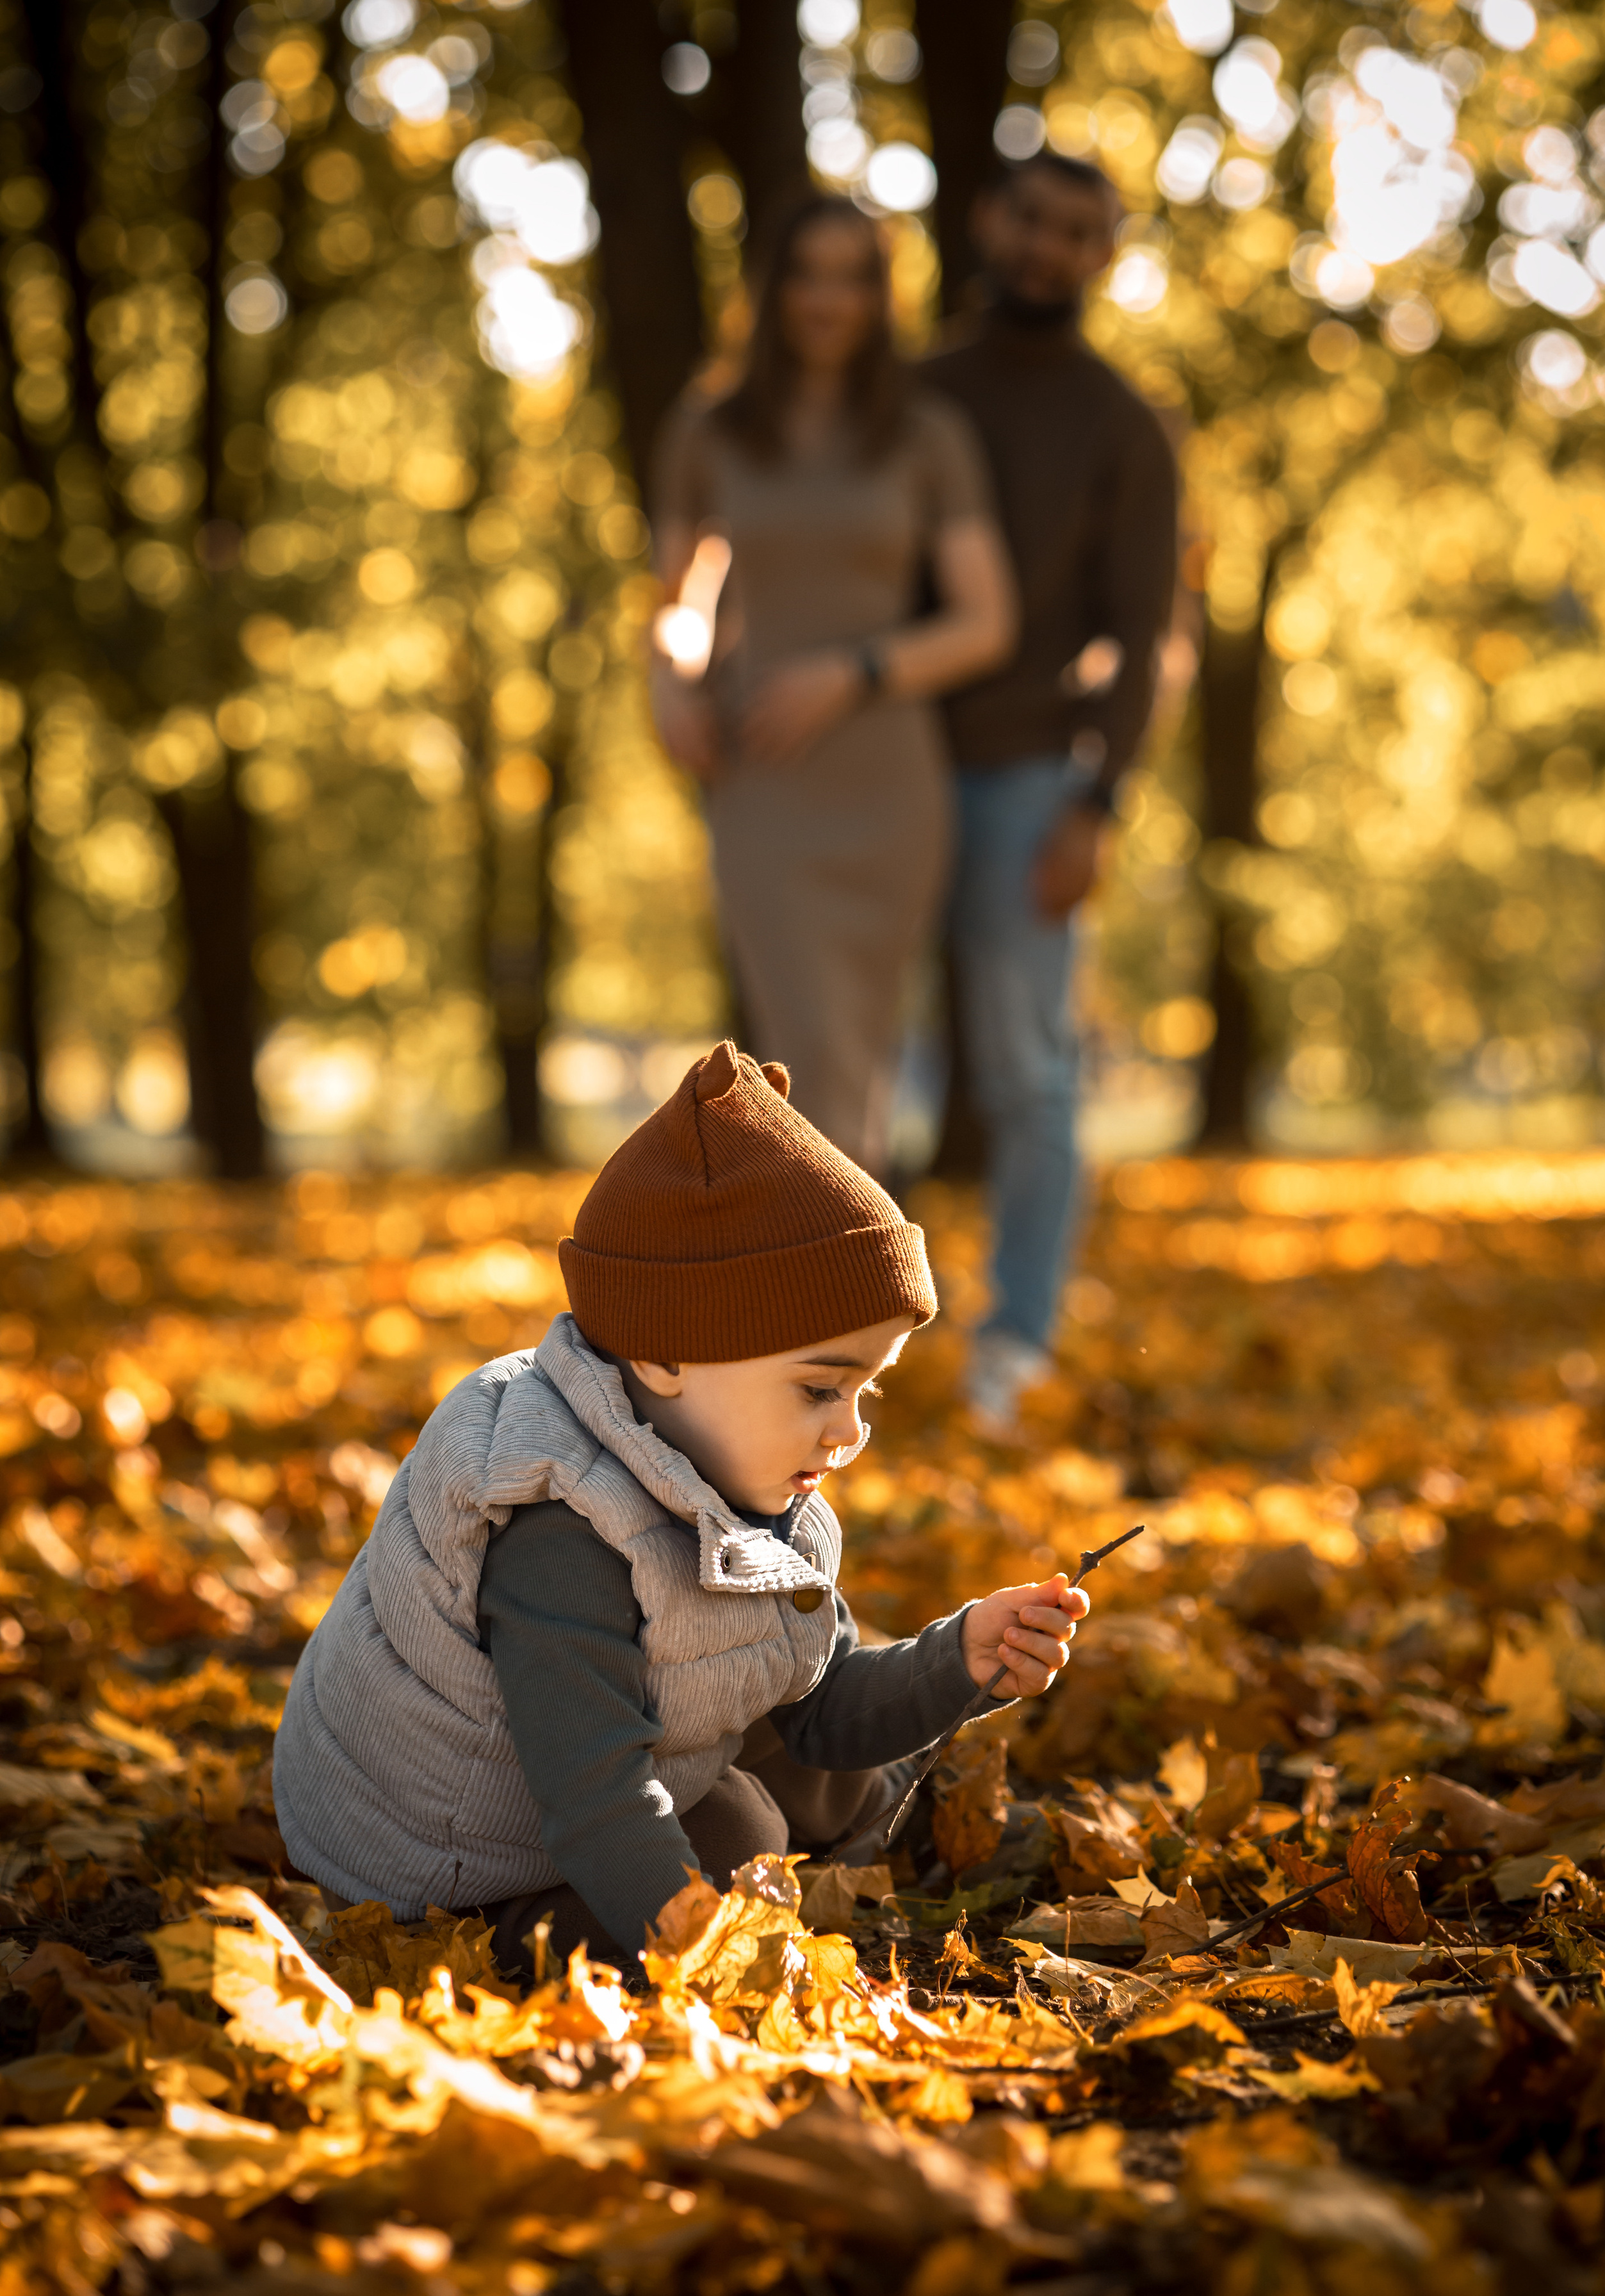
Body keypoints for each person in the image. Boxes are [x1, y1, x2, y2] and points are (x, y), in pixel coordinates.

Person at [273, 1042, 1089, 1974]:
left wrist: (960, 1657)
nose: (849, 1432)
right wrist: (721, 1959)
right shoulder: (558, 1531)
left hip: (597, 1761)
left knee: (803, 1751)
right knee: (738, 1827)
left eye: (870, 1393)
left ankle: (904, 1838)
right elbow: (596, 1799)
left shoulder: (742, 1469)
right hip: (442, 1844)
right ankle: (521, 1937)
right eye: (821, 1389)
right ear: (663, 1355)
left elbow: (816, 1702)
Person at [648, 197, 1016, 1180]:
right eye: (808, 273)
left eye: (854, 276)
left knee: (856, 1062)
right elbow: (678, 602)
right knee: (801, 1058)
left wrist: (851, 672)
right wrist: (668, 681)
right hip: (764, 773)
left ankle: (840, 1308)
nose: (829, 299)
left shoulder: (926, 437)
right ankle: (843, 1302)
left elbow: (986, 621)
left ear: (880, 296)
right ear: (773, 289)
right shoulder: (710, 430)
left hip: (888, 781)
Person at [924, 153, 1180, 1438]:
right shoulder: (909, 395)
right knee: (839, 1069)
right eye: (1028, 215)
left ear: (1102, 255)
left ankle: (1012, 1344)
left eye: (1076, 231)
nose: (1044, 245)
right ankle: (813, 1338)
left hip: (1029, 781)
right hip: (879, 768)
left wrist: (1097, 802)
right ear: (987, 216)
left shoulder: (1122, 426)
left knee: (1028, 1074)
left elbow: (1142, 638)